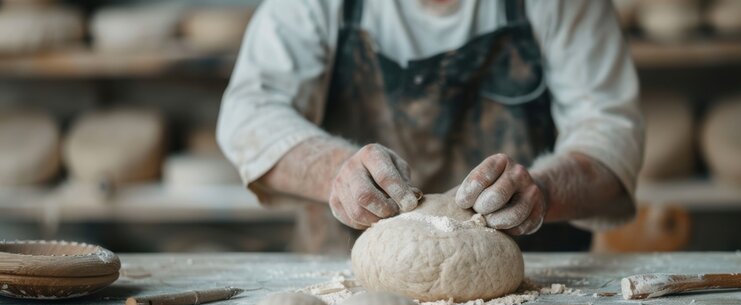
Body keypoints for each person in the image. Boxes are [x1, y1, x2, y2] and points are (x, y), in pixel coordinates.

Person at [218, 0, 644, 253]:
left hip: (530, 284)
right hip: (347, 282)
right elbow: (248, 115)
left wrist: (542, 191)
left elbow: (611, 136)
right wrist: (336, 172)